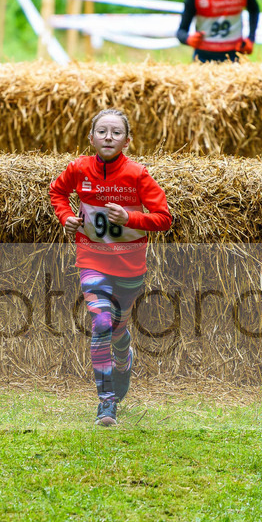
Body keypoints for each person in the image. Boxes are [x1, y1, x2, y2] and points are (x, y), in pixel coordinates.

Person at [48, 109, 172, 427]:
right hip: (92, 259)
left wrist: (130, 218)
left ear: (127, 141)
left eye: (116, 132)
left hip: (130, 266)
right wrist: (67, 217)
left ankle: (123, 357)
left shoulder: (137, 175)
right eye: (102, 131)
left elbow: (163, 218)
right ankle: (106, 403)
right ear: (91, 138)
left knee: (117, 329)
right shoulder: (79, 168)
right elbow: (57, 192)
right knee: (101, 322)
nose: (108, 137)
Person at [176, 0, 260, 64]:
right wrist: (188, 39)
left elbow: (254, 10)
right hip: (203, 58)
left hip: (234, 56)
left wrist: (251, 39)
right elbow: (181, 32)